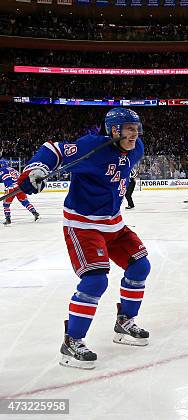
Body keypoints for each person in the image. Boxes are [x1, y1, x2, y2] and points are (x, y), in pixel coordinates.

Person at [17, 108, 151, 369]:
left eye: (137, 129)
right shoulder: (92, 146)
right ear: (113, 130)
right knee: (95, 280)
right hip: (83, 223)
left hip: (113, 222)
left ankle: (125, 322)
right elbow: (54, 149)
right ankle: (72, 341)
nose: (135, 134)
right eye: (129, 128)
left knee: (140, 266)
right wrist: (36, 169)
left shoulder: (137, 149)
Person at [1, 159, 40, 225]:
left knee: (6, 204)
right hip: (20, 187)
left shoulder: (2, 169)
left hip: (11, 187)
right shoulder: (13, 169)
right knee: (25, 202)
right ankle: (34, 212)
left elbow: (7, 178)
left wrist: (9, 186)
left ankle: (8, 219)